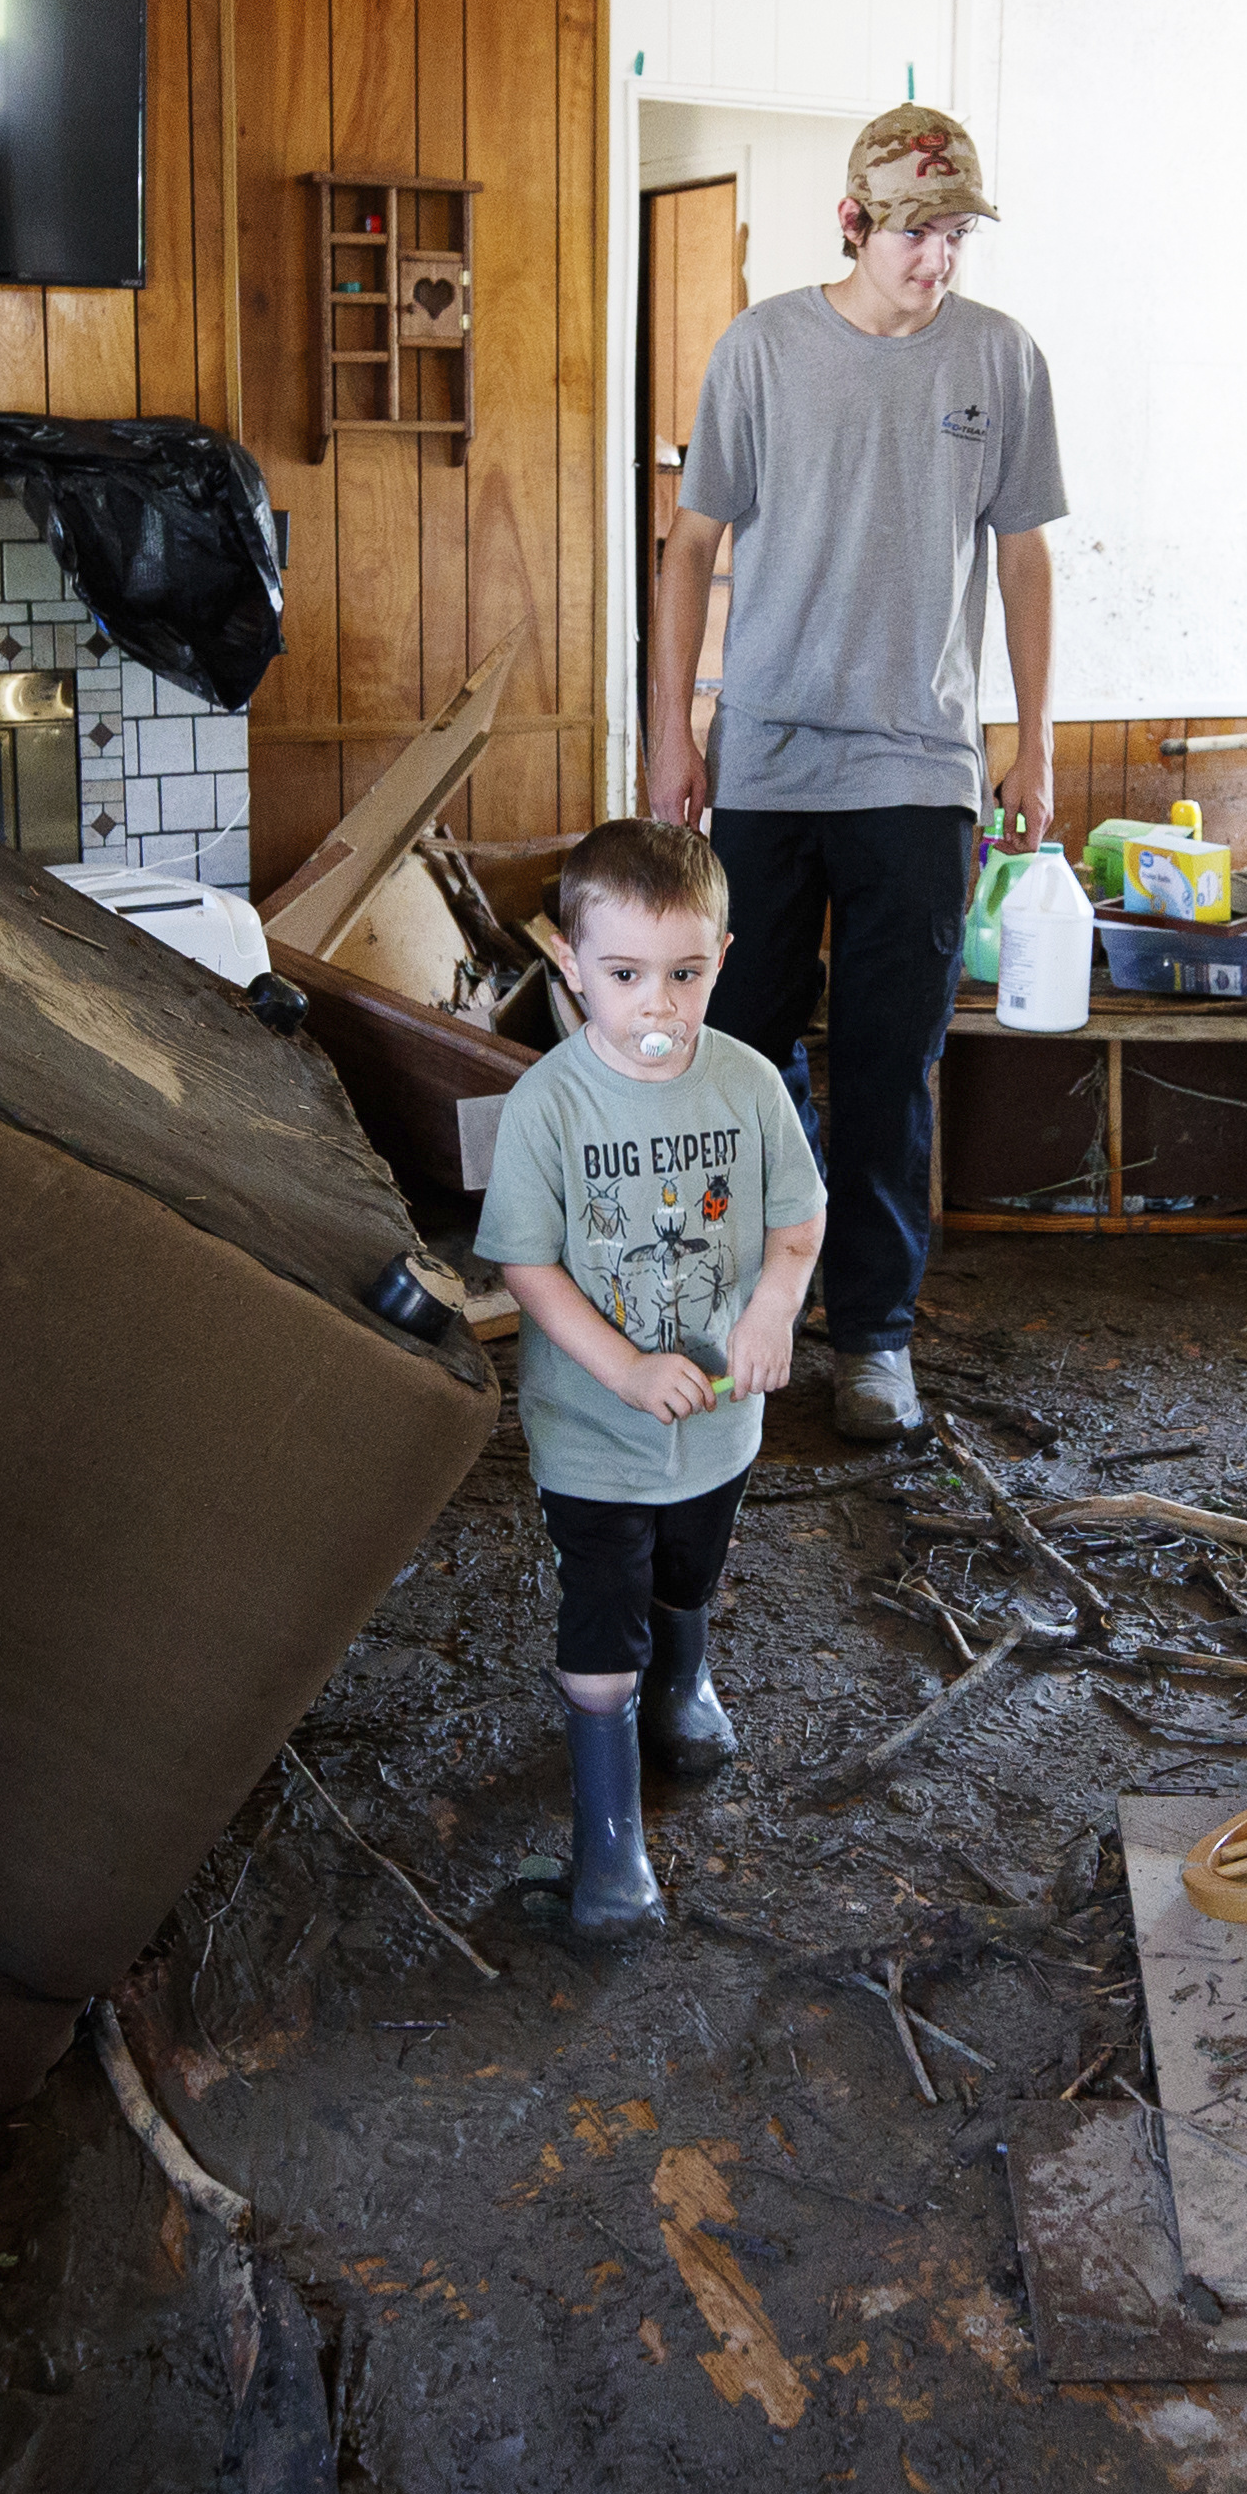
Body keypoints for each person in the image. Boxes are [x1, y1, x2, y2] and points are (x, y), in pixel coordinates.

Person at [644, 102, 1064, 1450]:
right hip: (766, 763)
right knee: (740, 1059)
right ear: (851, 223)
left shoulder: (1001, 359)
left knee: (890, 1071)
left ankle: (873, 1339)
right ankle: (720, 1314)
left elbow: (1024, 559)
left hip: (921, 769)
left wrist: (1036, 741)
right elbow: (693, 546)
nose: (935, 258)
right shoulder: (764, 350)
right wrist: (673, 731)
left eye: (953, 234)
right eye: (912, 233)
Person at [474, 818, 830, 1934]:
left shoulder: (751, 1083)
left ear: (723, 957)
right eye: (625, 976)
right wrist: (623, 1366)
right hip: (593, 1428)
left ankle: (686, 1680)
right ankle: (612, 1845)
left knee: (691, 1568)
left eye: (685, 973)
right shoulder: (546, 1104)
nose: (658, 1006)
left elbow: (800, 1219)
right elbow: (524, 1264)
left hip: (719, 1425)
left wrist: (775, 1308)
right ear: (570, 965)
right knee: (602, 1616)